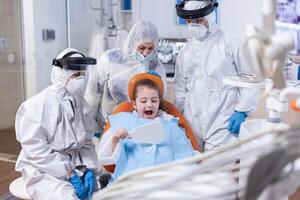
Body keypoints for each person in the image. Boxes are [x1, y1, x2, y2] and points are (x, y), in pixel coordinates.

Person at [15, 48, 101, 200]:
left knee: (101, 190)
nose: (80, 80)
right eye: (75, 75)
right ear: (61, 74)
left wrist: (89, 168)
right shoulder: (39, 104)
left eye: (82, 75)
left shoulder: (81, 103)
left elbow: (87, 143)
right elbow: (35, 149)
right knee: (66, 196)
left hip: (75, 163)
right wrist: (67, 172)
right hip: (43, 167)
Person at [174, 1, 260, 151]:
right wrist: (179, 116)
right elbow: (180, 88)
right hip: (191, 120)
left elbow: (251, 77)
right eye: (190, 21)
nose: (194, 25)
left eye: (199, 20)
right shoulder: (185, 52)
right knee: (192, 169)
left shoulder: (231, 42)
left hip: (223, 120)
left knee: (218, 171)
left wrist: (242, 110)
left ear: (211, 15)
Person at [97, 72, 194, 181]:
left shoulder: (170, 125)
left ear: (159, 103)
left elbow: (184, 154)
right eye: (143, 101)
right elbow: (114, 159)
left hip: (164, 182)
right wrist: (115, 139)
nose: (149, 105)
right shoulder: (124, 122)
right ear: (134, 104)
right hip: (131, 183)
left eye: (154, 101)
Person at [84, 20, 167, 130]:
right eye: (142, 48)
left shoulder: (156, 66)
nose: (146, 53)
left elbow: (160, 101)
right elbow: (92, 95)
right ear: (132, 43)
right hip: (109, 124)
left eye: (150, 49)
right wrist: (91, 126)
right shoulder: (110, 59)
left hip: (142, 128)